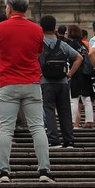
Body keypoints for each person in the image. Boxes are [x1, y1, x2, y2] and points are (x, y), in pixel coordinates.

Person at [0, 0, 53, 184]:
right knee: (37, 128)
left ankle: (3, 172)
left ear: (9, 8)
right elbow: (37, 53)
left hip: (8, 83)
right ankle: (44, 170)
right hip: (32, 83)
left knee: (6, 130)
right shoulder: (37, 29)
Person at [39, 16, 83, 149]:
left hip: (46, 81)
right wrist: (70, 73)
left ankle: (54, 139)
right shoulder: (62, 44)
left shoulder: (39, 44)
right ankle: (68, 140)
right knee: (64, 110)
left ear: (41, 27)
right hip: (62, 81)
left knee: (49, 110)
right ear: (54, 28)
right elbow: (79, 58)